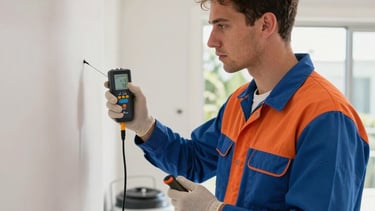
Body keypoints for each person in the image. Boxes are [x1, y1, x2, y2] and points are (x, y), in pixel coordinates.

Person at [105, 0, 370, 210]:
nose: (211, 41)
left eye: (223, 25)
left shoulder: (327, 117)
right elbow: (194, 160)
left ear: (266, 25)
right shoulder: (240, 102)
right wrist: (144, 126)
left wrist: (214, 210)